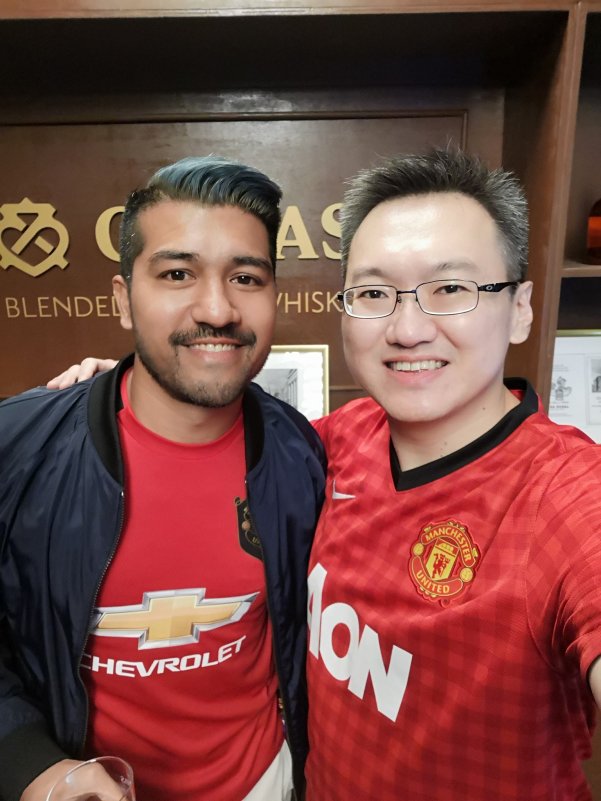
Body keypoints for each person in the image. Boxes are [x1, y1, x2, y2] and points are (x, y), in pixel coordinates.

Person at [48, 148, 601, 800]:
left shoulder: (563, 494)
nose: (407, 328)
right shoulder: (328, 444)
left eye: (450, 289)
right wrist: (107, 395)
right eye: (373, 293)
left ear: (521, 308)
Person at [0, 156, 325, 801]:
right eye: (177, 274)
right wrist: (32, 766)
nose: (217, 309)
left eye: (246, 278)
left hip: (266, 781)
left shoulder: (303, 454)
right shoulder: (18, 449)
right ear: (124, 299)